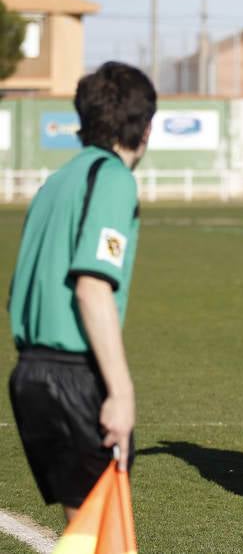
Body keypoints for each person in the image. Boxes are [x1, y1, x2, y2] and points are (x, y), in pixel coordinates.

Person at [7, 62, 156, 521]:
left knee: (86, 531)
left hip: (29, 374)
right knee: (107, 534)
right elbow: (91, 288)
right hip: (73, 376)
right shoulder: (111, 178)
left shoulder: (57, 181)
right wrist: (120, 390)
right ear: (144, 127)